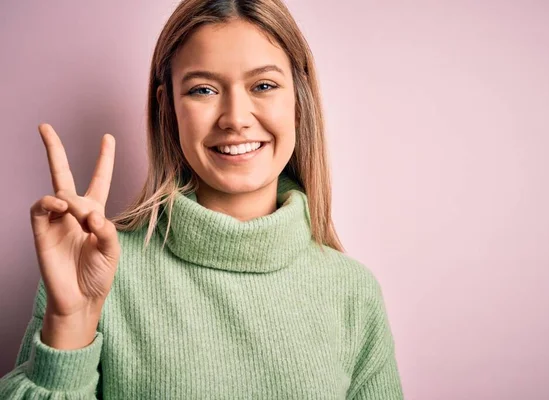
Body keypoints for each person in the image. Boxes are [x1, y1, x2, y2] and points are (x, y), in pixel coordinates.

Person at [0, 0, 404, 398]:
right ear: (168, 110)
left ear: (298, 100)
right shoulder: (93, 271)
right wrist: (70, 322)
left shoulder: (352, 293)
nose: (235, 117)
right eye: (203, 89)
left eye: (263, 85)